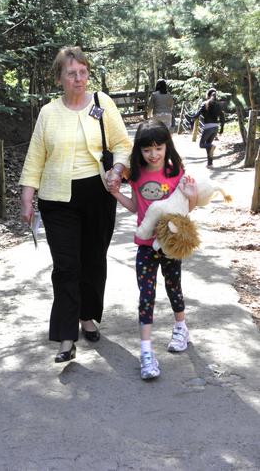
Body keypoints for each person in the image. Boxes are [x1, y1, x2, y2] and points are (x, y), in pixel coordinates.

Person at [19, 46, 132, 363]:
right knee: (67, 267)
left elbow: (122, 144)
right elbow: (35, 158)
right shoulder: (48, 113)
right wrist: (28, 195)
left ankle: (87, 316)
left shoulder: (102, 104)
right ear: (59, 78)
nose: (79, 78)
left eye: (83, 72)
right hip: (58, 200)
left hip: (97, 194)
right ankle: (66, 336)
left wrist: (119, 169)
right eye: (72, 73)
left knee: (93, 260)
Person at [107, 120, 197, 380]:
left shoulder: (176, 171)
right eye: (147, 150)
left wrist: (190, 195)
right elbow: (136, 207)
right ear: (140, 151)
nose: (153, 154)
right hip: (146, 246)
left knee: (173, 287)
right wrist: (115, 193)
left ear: (167, 147)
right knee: (146, 295)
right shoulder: (136, 174)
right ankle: (146, 352)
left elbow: (185, 210)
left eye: (159, 148)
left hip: (170, 244)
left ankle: (181, 326)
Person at [190, 88, 225, 168]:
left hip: (208, 127)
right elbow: (222, 117)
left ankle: (212, 147)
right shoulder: (218, 105)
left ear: (208, 95)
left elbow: (197, 114)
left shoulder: (205, 103)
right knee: (208, 145)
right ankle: (210, 164)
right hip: (215, 127)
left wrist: (192, 120)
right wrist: (222, 128)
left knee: (202, 144)